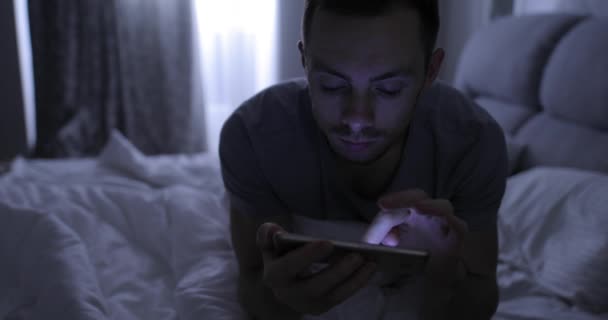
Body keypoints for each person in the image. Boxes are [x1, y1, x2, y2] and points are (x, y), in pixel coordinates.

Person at [219, 0, 508, 319]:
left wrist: (446, 277)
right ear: (304, 62)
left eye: (389, 89)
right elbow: (252, 280)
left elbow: (481, 293)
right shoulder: (252, 135)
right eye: (331, 85)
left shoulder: (473, 143)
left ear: (431, 72)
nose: (357, 118)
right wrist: (282, 301)